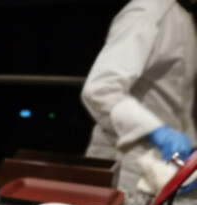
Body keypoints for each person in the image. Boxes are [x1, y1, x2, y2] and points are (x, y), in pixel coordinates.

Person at [81, 0, 197, 194]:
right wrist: (157, 131)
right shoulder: (146, 12)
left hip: (166, 164)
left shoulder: (184, 18)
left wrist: (191, 159)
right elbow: (101, 89)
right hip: (128, 164)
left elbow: (180, 100)